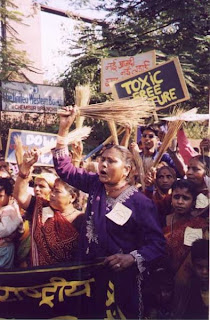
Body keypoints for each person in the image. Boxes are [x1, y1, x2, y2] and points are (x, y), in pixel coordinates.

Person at [52, 106, 166, 319]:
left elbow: (157, 245)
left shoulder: (141, 203)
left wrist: (130, 258)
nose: (102, 164)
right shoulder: (95, 185)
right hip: (88, 275)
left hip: (122, 281)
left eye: (111, 161)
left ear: (127, 170)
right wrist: (64, 128)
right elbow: (64, 169)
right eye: (101, 159)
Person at [14, 153, 83, 267]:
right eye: (53, 190)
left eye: (57, 191)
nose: (52, 195)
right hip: (37, 274)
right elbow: (19, 196)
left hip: (65, 280)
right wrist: (24, 171)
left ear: (72, 197)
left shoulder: (81, 220)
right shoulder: (41, 207)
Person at [164, 179, 208, 275]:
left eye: (185, 198)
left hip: (188, 278)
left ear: (193, 202)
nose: (180, 202)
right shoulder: (162, 221)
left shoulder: (199, 225)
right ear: (171, 199)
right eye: (176, 197)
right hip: (163, 274)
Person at [173, 239, 209, 319]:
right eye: (199, 267)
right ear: (193, 264)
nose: (204, 272)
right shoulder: (189, 286)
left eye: (208, 267)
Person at [0, 177, 23, 269]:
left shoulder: (10, 210)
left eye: (0, 196)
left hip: (4, 250)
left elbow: (3, 230)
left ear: (10, 196)